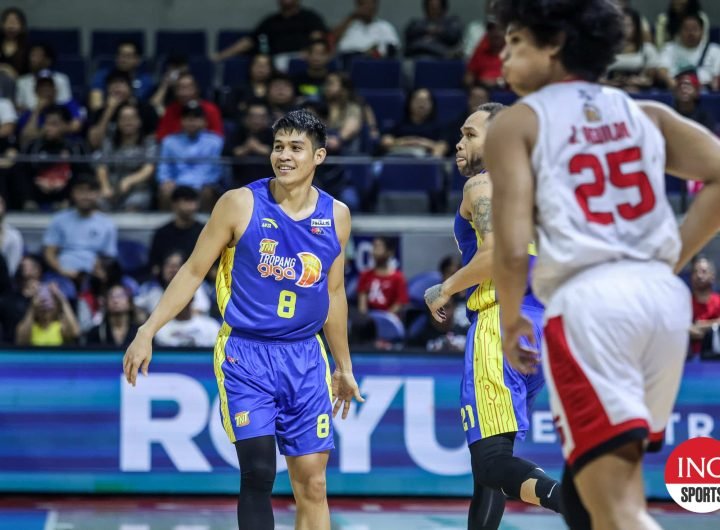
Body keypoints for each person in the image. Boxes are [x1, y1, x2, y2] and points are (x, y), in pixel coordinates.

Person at [487, 1, 720, 528]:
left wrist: (509, 317)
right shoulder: (646, 112)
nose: (503, 52)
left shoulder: (517, 123)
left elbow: (509, 242)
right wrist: (668, 260)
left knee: (615, 509)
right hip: (662, 303)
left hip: (589, 303)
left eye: (516, 41)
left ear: (554, 45)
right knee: (601, 495)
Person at [123, 109, 363, 530]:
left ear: (319, 156)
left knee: (314, 485)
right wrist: (147, 330)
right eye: (277, 146)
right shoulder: (239, 203)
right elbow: (194, 270)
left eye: (295, 148)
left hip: (307, 356)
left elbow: (335, 292)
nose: (283, 156)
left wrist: (343, 366)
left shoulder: (337, 215)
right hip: (246, 354)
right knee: (258, 473)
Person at [424, 103, 560, 530]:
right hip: (544, 328)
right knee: (491, 466)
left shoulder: (482, 183)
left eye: (469, 134)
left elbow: (494, 253)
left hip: (502, 323)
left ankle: (574, 500)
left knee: (490, 462)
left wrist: (444, 288)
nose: (459, 143)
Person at [156, 100, 224, 212]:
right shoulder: (169, 141)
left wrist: (206, 182)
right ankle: (167, 224)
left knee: (208, 191)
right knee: (165, 190)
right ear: (181, 121)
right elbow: (163, 168)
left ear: (204, 121)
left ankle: (207, 225)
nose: (191, 122)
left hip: (203, 185)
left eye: (196, 118)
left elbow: (217, 170)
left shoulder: (215, 142)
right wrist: (166, 180)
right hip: (177, 184)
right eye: (187, 118)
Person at [15, 281, 80, 346]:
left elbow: (75, 332)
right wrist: (32, 307)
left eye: (49, 304)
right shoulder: (31, 327)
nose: (45, 308)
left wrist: (62, 299)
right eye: (42, 303)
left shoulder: (60, 326)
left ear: (56, 307)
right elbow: (21, 339)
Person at [333, 0, 401, 59]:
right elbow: (332, 40)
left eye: (370, 4)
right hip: (349, 64)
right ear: (358, 6)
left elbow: (394, 50)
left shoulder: (385, 27)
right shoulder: (349, 26)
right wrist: (351, 17)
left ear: (375, 7)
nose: (367, 8)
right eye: (363, 4)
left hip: (378, 65)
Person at [15, 43, 72, 111]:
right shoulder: (22, 81)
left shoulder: (61, 79)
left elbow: (66, 102)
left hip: (56, 115)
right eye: (32, 55)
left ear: (48, 60)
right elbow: (19, 106)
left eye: (38, 56)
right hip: (30, 117)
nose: (33, 60)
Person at [689, 256, 720, 358]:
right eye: (695, 272)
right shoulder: (683, 303)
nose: (699, 275)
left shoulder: (718, 301)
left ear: (712, 276)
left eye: (703, 271)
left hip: (715, 362)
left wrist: (704, 325)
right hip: (687, 362)